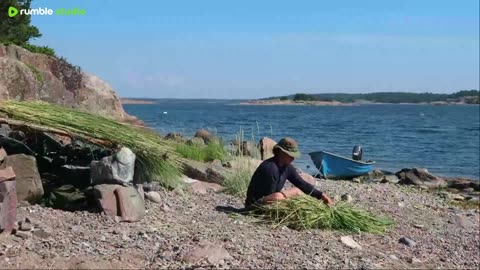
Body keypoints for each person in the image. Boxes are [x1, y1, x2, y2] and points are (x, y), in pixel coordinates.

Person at [245, 137, 333, 208]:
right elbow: (270, 196)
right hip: (255, 206)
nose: (293, 158)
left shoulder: (287, 167)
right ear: (281, 152)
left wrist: (321, 195)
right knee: (285, 195)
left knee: (297, 191)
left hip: (270, 199)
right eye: (290, 155)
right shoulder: (270, 168)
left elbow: (302, 184)